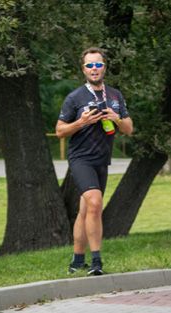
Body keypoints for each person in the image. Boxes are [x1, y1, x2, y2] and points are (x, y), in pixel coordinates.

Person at [56, 47, 133, 276]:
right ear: (83, 70)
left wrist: (116, 118)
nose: (94, 69)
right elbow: (60, 131)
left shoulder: (115, 95)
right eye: (89, 65)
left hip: (102, 160)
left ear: (104, 67)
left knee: (85, 210)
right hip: (81, 159)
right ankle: (96, 261)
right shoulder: (75, 97)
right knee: (95, 203)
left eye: (98, 64)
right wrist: (81, 122)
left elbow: (129, 129)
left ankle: (77, 260)